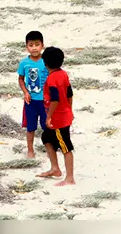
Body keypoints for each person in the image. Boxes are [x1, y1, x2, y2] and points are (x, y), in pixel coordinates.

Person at [35, 46, 75, 186]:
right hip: (64, 114)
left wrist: (49, 117)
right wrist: (70, 109)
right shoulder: (63, 74)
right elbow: (69, 93)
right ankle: (55, 168)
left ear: (45, 63)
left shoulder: (52, 79)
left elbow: (55, 100)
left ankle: (70, 178)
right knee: (46, 138)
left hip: (58, 119)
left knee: (65, 147)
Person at [17, 30, 49, 158]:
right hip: (30, 101)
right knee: (30, 127)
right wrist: (25, 92)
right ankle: (30, 150)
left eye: (37, 44)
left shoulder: (46, 61)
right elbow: (20, 79)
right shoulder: (24, 63)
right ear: (26, 47)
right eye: (31, 45)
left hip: (45, 101)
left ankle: (50, 148)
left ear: (42, 45)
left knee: (47, 126)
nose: (34, 48)